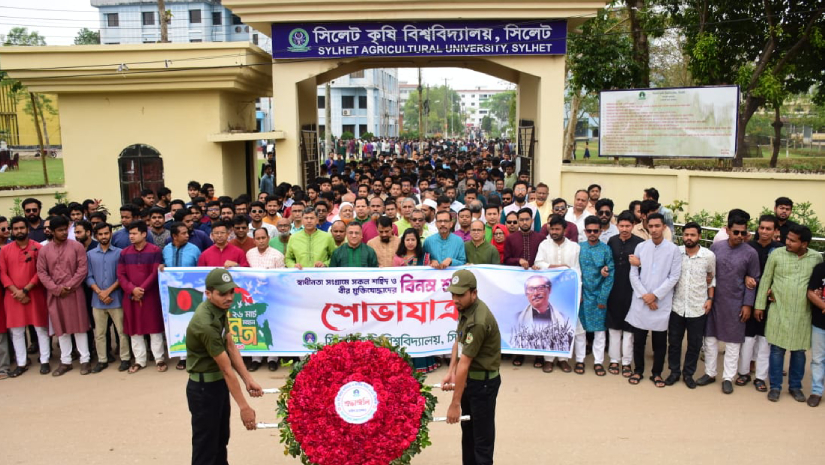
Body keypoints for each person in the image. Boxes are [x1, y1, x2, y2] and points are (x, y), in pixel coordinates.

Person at [186, 268, 264, 465]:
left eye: (231, 292)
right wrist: (244, 406)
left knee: (221, 441)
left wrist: (248, 380)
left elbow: (230, 344)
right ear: (208, 294)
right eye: (222, 293)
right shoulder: (205, 323)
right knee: (206, 449)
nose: (229, 297)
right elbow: (226, 369)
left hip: (218, 386)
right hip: (204, 390)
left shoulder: (220, 309)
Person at [755, 224, 823, 402]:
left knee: (799, 353)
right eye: (787, 238)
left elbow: (818, 283)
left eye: (793, 240)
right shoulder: (777, 254)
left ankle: (795, 387)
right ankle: (775, 387)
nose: (787, 242)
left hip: (803, 314)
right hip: (779, 311)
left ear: (804, 243)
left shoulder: (815, 258)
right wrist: (759, 305)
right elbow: (765, 280)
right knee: (777, 350)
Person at [442, 269, 501, 465]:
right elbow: (458, 343)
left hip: (483, 384)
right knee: (468, 434)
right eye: (453, 294)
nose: (455, 299)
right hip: (470, 381)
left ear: (473, 293)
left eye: (460, 294)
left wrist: (454, 404)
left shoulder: (479, 321)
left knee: (481, 441)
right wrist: (451, 371)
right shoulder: (465, 309)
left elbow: (465, 363)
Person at [699, 212, 761, 394]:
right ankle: (710, 373)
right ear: (727, 230)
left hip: (736, 303)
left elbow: (753, 280)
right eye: (736, 232)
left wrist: (747, 305)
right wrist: (707, 298)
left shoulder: (751, 253)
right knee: (710, 340)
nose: (740, 237)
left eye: (743, 233)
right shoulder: (716, 248)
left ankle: (728, 377)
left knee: (733, 343)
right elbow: (709, 273)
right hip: (714, 301)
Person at [626, 213, 681, 388]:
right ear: (647, 227)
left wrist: (655, 295)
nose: (655, 229)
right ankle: (638, 370)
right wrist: (646, 296)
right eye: (651, 226)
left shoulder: (673, 250)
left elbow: (674, 277)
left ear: (664, 227)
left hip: (661, 302)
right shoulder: (641, 247)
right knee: (639, 339)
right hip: (642, 300)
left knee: (659, 341)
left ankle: (656, 373)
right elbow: (633, 275)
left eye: (658, 226)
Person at [36, 216, 91, 376]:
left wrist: (69, 286)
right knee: (61, 329)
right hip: (55, 295)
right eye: (60, 230)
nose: (64, 233)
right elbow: (41, 272)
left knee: (79, 327)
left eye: (65, 230)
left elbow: (82, 269)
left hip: (74, 292)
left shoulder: (77, 247)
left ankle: (84, 360)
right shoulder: (44, 250)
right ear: (52, 232)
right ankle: (65, 361)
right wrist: (56, 289)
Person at [665, 222, 716, 389]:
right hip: (677, 306)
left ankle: (688, 374)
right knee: (674, 342)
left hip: (698, 307)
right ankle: (674, 372)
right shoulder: (676, 253)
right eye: (686, 235)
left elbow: (712, 278)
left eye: (692, 235)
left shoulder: (708, 256)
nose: (689, 238)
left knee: (694, 344)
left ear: (699, 236)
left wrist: (710, 299)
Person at [737, 215, 783, 392]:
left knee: (765, 339)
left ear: (775, 231)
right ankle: (743, 372)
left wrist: (774, 290)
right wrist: (745, 277)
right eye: (761, 228)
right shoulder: (747, 247)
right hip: (748, 299)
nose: (764, 232)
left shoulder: (780, 250)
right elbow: (738, 270)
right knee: (748, 337)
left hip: (771, 301)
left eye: (768, 229)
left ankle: (760, 377)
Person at [2, 217, 50, 377]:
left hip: (34, 294)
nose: (19, 231)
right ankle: (21, 363)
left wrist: (26, 289)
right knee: (17, 331)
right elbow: (2, 273)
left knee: (40, 328)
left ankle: (45, 360)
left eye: (22, 228)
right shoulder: (4, 250)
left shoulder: (38, 248)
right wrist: (16, 291)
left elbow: (40, 272)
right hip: (13, 296)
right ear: (11, 230)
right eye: (15, 229)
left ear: (28, 229)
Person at [117, 221, 166, 374]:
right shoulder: (124, 253)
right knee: (134, 329)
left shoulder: (155, 251)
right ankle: (140, 360)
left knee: (154, 327)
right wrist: (132, 290)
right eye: (130, 234)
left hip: (150, 295)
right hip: (131, 296)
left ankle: (159, 359)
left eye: (134, 233)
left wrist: (141, 289)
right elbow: (120, 274)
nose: (131, 236)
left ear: (144, 234)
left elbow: (155, 272)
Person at [86, 223, 130, 373]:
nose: (104, 237)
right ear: (95, 235)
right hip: (97, 301)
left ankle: (125, 358)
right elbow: (88, 276)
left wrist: (108, 291)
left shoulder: (120, 253)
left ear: (111, 234)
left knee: (122, 332)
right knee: (99, 333)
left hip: (116, 299)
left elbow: (122, 276)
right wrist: (100, 292)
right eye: (100, 234)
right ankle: (102, 360)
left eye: (106, 233)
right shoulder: (90, 254)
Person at [606, 211, 644, 377]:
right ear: (617, 225)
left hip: (632, 291)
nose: (624, 228)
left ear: (633, 226)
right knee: (614, 327)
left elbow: (648, 268)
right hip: (613, 289)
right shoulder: (612, 241)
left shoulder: (641, 244)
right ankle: (614, 360)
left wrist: (640, 263)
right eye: (621, 225)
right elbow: (607, 261)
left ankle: (627, 362)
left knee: (629, 329)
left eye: (628, 226)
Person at [576, 216, 614, 376]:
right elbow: (574, 271)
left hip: (599, 296)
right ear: (584, 231)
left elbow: (610, 273)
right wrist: (578, 294)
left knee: (599, 331)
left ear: (600, 231)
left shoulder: (606, 249)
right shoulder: (578, 248)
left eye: (595, 231)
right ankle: (580, 360)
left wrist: (602, 298)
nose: (592, 233)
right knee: (580, 330)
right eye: (589, 230)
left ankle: (598, 362)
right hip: (581, 296)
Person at [807, 255, 825, 407]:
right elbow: (811, 292)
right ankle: (816, 391)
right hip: (820, 323)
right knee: (818, 359)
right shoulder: (820, 269)